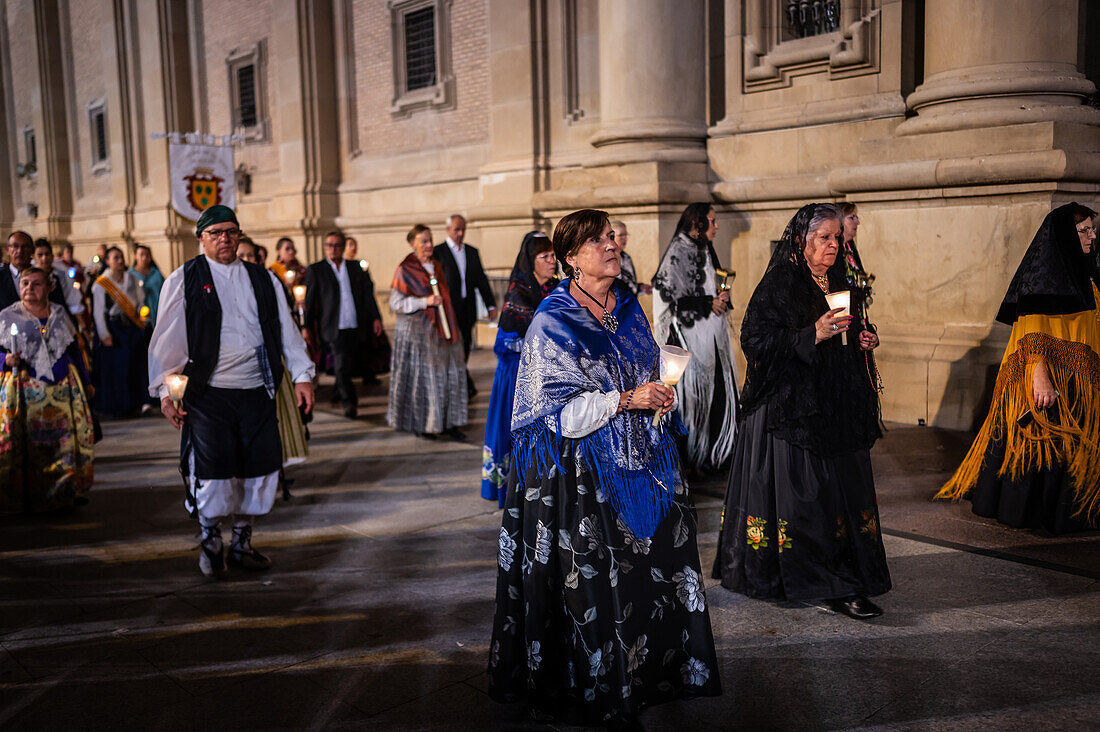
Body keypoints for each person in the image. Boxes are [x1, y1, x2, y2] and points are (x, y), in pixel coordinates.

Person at [489, 209, 721, 727]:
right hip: (585, 475)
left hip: (644, 461)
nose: (611, 244)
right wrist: (625, 399)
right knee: (598, 586)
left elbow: (642, 364)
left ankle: (646, 676)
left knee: (647, 582)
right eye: (597, 240)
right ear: (571, 258)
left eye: (612, 236)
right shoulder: (553, 319)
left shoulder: (629, 307)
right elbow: (559, 413)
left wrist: (660, 391)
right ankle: (600, 689)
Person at [711, 203, 890, 620]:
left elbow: (850, 324)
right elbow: (755, 341)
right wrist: (813, 333)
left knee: (843, 494)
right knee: (810, 499)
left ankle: (845, 578)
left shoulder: (839, 277)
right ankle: (827, 585)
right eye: (825, 237)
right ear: (802, 241)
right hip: (792, 410)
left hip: (837, 403)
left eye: (837, 238)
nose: (834, 245)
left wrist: (864, 336)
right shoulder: (781, 284)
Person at [148, 205, 315, 579]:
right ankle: (211, 541)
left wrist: (302, 375)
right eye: (215, 233)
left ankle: (242, 542)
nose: (224, 238)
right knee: (215, 469)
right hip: (208, 394)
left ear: (239, 235)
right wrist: (165, 393)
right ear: (201, 238)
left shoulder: (263, 279)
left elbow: (284, 329)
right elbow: (167, 342)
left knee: (258, 467)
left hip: (257, 388)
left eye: (231, 232)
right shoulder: (184, 278)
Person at [936, 202, 1100, 533]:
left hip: (1078, 380)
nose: (1092, 236)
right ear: (1067, 236)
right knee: (1039, 451)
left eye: (1092, 229)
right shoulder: (1042, 277)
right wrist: (1040, 378)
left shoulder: (1086, 273)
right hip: (1048, 382)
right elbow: (1031, 332)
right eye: (1084, 230)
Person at [651, 203, 739, 474]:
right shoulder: (679, 250)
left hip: (711, 335)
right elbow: (671, 295)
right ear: (698, 223)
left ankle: (717, 455)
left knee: (719, 393)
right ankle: (695, 458)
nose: (716, 226)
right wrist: (707, 302)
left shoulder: (705, 249)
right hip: (691, 337)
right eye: (712, 221)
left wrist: (721, 298)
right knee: (695, 399)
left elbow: (709, 284)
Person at [0, 267, 95, 512]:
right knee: (29, 445)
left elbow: (75, 350)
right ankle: (29, 496)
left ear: (49, 288)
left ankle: (65, 492)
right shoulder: (7, 317)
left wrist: (86, 381)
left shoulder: (60, 314)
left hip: (63, 388)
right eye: (25, 284)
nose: (29, 289)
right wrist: (4, 360)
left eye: (36, 284)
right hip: (24, 391)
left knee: (64, 443)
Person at [481, 231, 558, 507]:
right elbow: (504, 344)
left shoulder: (557, 289)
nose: (552, 261)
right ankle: (514, 492)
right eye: (545, 256)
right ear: (531, 260)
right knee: (515, 433)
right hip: (516, 375)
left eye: (553, 255)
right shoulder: (518, 294)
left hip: (546, 373)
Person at [238, 237, 309, 482]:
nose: (248, 260)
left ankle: (274, 469)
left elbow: (284, 324)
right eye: (243, 255)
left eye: (252, 256)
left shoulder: (267, 281)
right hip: (241, 369)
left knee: (277, 420)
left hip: (270, 360)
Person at [387, 224, 467, 439]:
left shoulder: (436, 267)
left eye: (430, 240)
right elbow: (396, 303)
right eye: (424, 241)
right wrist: (425, 301)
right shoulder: (405, 269)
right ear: (413, 244)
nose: (429, 244)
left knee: (450, 375)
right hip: (419, 332)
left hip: (444, 328)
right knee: (425, 380)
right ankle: (426, 424)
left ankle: (450, 422)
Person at [302, 231, 385, 419]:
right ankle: (349, 402)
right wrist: (306, 326)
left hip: (354, 325)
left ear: (343, 247)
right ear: (324, 248)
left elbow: (367, 296)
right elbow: (309, 300)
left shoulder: (355, 267)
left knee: (347, 363)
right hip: (332, 326)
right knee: (340, 364)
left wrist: (376, 318)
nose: (333, 249)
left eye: (337, 245)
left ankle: (338, 391)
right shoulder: (317, 269)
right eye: (329, 245)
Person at [433, 214, 498, 398]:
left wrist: (491, 304)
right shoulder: (438, 252)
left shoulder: (471, 251)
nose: (460, 233)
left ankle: (462, 379)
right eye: (456, 229)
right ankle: (462, 382)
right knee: (451, 347)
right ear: (448, 230)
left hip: (467, 307)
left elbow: (481, 280)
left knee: (466, 345)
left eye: (463, 229)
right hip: (447, 311)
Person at [91, 246, 148, 418]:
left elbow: (140, 299)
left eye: (121, 257)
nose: (120, 261)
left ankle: (134, 403)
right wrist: (104, 334)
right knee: (116, 369)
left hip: (130, 326)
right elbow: (98, 311)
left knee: (134, 367)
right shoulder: (101, 283)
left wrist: (142, 315)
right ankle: (117, 406)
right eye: (116, 258)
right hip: (113, 328)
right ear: (108, 261)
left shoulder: (130, 277)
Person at [610, 220, 651, 296]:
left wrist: (640, 287)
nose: (625, 238)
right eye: (621, 235)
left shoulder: (626, 257)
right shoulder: (607, 258)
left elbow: (628, 283)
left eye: (626, 235)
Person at [130, 245, 165, 328]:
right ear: (135, 257)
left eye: (147, 255)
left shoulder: (157, 273)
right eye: (141, 255)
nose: (144, 258)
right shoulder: (130, 275)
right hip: (138, 317)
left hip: (157, 313)